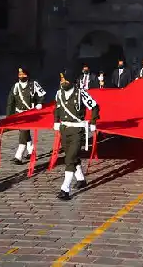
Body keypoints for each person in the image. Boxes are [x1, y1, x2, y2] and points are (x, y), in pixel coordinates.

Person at [53, 69, 100, 201]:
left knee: (70, 159)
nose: (63, 82)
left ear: (72, 80)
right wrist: (56, 122)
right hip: (64, 129)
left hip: (77, 130)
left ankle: (65, 189)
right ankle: (81, 179)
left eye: (65, 79)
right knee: (70, 156)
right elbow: (57, 109)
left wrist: (93, 121)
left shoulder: (81, 94)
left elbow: (95, 106)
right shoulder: (58, 94)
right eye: (61, 79)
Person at [6, 67, 45, 164]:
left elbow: (42, 94)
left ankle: (18, 156)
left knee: (23, 133)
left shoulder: (33, 84)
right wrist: (8, 117)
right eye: (20, 75)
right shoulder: (15, 86)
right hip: (19, 113)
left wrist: (40, 103)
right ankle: (31, 151)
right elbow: (10, 101)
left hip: (30, 113)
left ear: (27, 75)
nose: (21, 76)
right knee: (25, 133)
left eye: (23, 75)